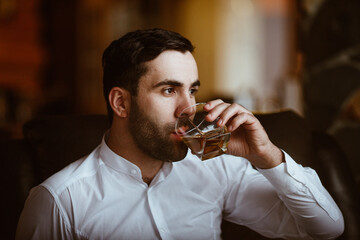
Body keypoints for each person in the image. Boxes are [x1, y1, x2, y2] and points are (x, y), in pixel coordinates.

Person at [16, 28, 344, 240]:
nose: (189, 108)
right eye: (169, 90)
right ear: (120, 102)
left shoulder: (216, 168)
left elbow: (325, 228)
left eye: (192, 90)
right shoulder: (59, 201)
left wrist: (267, 155)